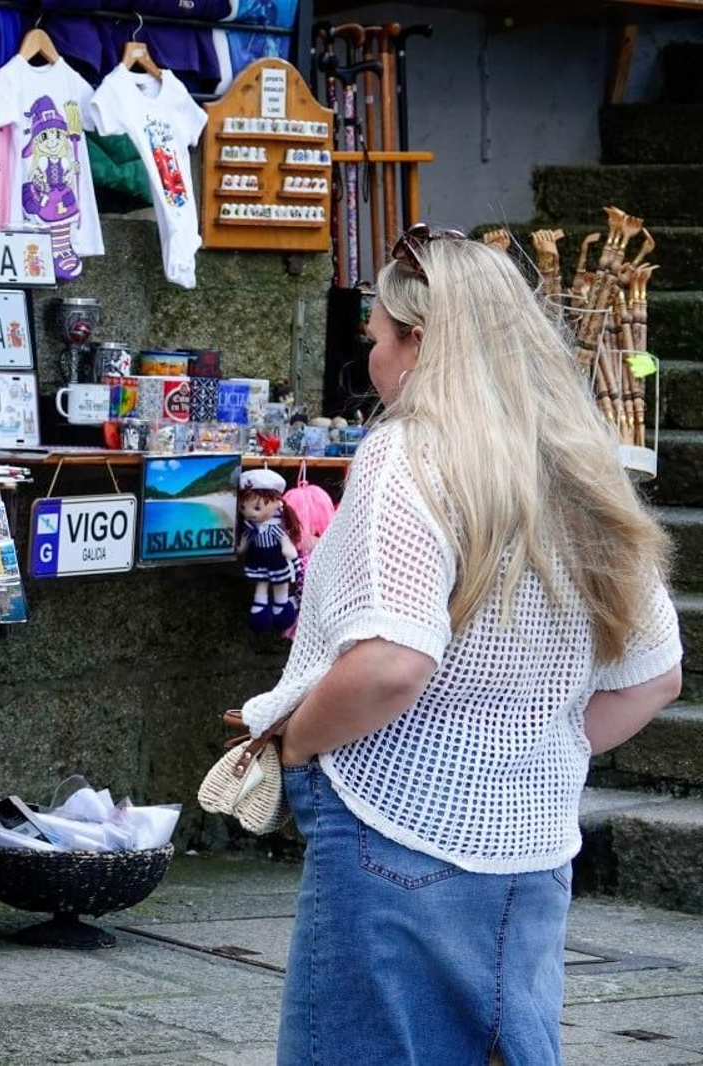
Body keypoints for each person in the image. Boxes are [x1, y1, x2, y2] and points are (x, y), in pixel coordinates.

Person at [235, 227, 683, 1065]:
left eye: (377, 338)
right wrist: (531, 743)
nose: (372, 358)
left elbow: (392, 662)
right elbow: (655, 676)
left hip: (390, 819)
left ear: (419, 346)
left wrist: (295, 744)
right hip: (534, 843)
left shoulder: (407, 455)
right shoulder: (576, 461)